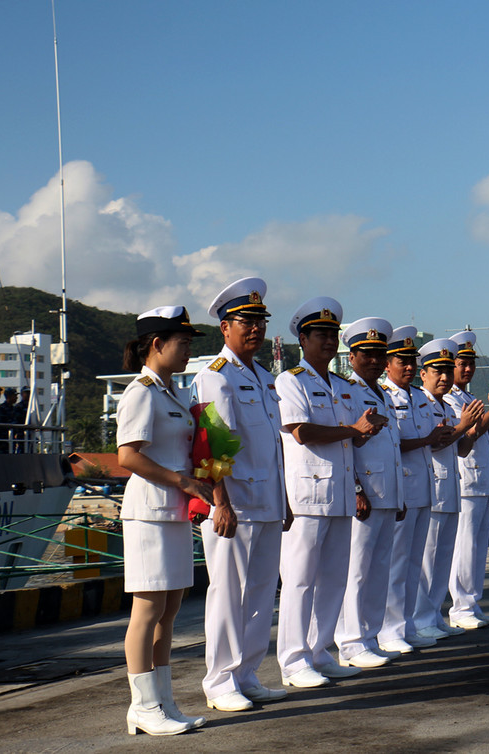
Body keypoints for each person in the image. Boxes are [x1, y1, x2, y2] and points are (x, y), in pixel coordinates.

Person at [192, 277, 291, 712]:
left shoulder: (266, 378)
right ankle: (219, 681)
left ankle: (247, 673)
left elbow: (274, 446)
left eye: (259, 321)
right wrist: (220, 500)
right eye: (245, 321)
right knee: (229, 593)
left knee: (261, 591)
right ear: (224, 327)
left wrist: (284, 498)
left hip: (267, 500)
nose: (254, 328)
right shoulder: (216, 378)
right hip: (234, 504)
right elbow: (212, 442)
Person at [275, 297, 384, 688]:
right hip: (306, 496)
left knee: (335, 578)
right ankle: (292, 660)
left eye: (333, 334)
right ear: (302, 339)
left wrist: (366, 428)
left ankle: (319, 652)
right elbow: (302, 432)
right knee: (300, 581)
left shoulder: (342, 386)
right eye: (320, 334)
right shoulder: (291, 381)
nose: (328, 340)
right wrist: (354, 430)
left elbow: (351, 440)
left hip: (339, 492)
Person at [116, 305, 211, 735]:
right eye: (184, 343)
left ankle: (163, 701)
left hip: (172, 511)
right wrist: (182, 480)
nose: (189, 350)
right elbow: (128, 455)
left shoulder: (175, 393)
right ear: (157, 345)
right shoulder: (140, 392)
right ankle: (142, 705)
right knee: (148, 609)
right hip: (149, 512)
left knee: (170, 609)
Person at [335, 317, 405, 669]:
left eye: (380, 354)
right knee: (357, 570)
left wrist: (399, 493)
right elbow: (348, 444)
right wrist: (356, 489)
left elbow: (391, 447)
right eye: (368, 354)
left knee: (379, 568)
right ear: (352, 357)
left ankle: (370, 635)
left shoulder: (384, 394)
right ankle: (350, 640)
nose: (376, 361)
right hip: (365, 492)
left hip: (387, 491)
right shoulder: (346, 391)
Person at [380, 326, 450, 653]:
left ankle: (406, 624)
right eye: (401, 360)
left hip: (424, 486)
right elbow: (395, 442)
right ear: (387, 364)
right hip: (402, 487)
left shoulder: (420, 397)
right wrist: (427, 440)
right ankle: (389, 629)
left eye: (411, 360)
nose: (408, 366)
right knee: (395, 563)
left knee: (412, 563)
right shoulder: (384, 396)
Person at [413, 339, 486, 638]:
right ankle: (420, 619)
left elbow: (461, 447)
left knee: (442, 557)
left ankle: (433, 616)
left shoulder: (444, 405)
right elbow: (435, 441)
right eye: (438, 370)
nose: (444, 376)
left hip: (449, 487)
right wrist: (462, 425)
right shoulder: (421, 403)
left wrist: (469, 428)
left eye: (447, 369)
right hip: (430, 488)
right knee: (426, 560)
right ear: (424, 374)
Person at [444, 330, 489, 630]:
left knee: (479, 546)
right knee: (465, 546)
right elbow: (468, 431)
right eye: (461, 363)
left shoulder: (469, 397)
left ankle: (472, 601)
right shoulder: (449, 399)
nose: (467, 368)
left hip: (482, 479)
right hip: (465, 479)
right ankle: (460, 607)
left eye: (470, 362)